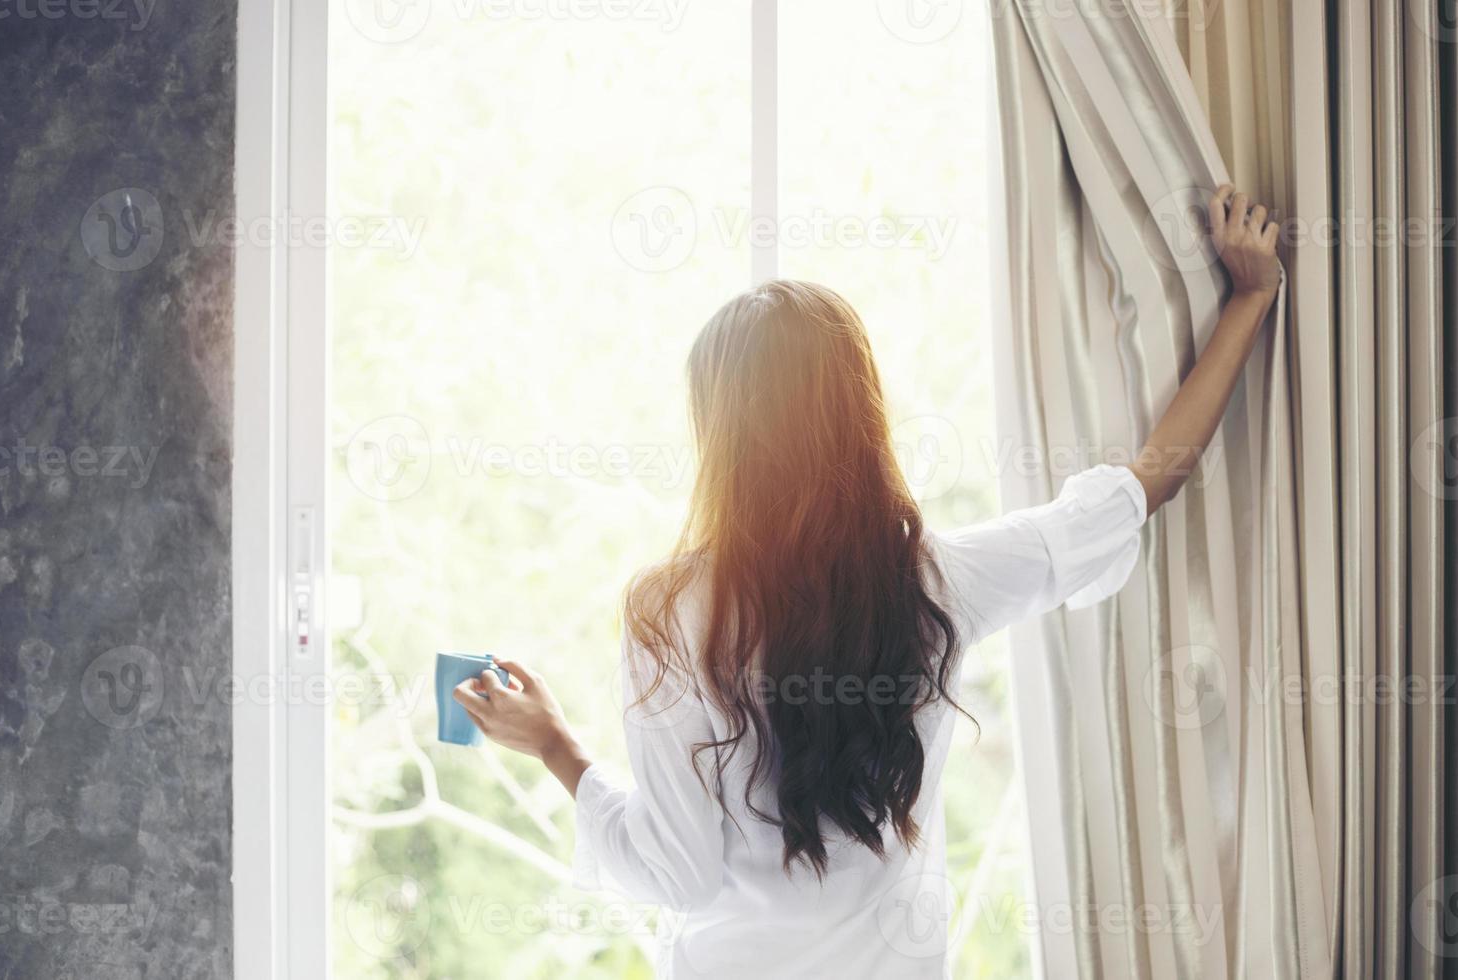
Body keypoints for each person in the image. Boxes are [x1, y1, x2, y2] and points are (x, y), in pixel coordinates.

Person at [455, 184, 1281, 977]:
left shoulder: (671, 613)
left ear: (720, 435)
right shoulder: (936, 584)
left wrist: (557, 747)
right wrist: (1247, 298)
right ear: (859, 418)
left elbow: (681, 877)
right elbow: (1144, 485)